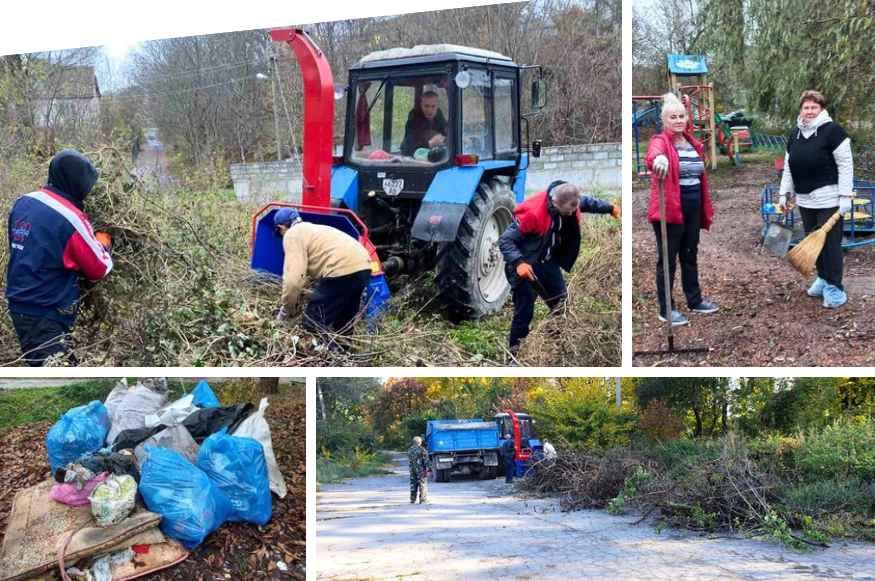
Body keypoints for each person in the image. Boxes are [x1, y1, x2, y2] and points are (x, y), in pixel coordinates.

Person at [5, 150, 113, 366]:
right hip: (45, 312)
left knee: (62, 362)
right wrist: (103, 243)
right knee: (55, 366)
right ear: (76, 182)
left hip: (20, 306)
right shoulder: (70, 217)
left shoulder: (24, 203)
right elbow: (99, 268)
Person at [498, 180, 620, 361]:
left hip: (548, 262)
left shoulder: (570, 200)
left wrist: (609, 208)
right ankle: (514, 356)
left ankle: (551, 341)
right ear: (555, 201)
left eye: (572, 211)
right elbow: (505, 241)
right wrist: (518, 263)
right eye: (566, 211)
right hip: (527, 264)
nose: (570, 214)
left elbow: (588, 202)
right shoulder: (532, 212)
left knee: (561, 304)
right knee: (524, 312)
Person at [645, 92, 718, 326]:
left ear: (687, 118)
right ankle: (666, 309)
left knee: (690, 255)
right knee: (667, 260)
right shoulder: (660, 141)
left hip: (692, 207)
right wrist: (658, 160)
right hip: (670, 209)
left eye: (681, 116)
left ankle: (694, 300)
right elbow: (652, 154)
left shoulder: (692, 143)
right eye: (672, 117)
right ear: (665, 121)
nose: (678, 120)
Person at [779, 90, 853, 308]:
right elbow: (788, 167)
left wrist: (845, 195)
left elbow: (845, 164)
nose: (809, 111)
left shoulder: (833, 132)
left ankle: (835, 286)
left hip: (829, 198)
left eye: (814, 107)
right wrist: (784, 192)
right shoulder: (796, 134)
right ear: (801, 109)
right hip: (805, 199)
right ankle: (822, 278)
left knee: (830, 243)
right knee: (813, 241)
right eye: (806, 107)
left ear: (821, 109)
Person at [273, 208, 373, 344]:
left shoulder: (292, 234)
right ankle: (343, 359)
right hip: (364, 265)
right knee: (343, 325)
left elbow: (293, 282)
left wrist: (285, 311)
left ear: (281, 227)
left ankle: (326, 357)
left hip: (341, 270)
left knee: (312, 322)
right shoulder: (313, 229)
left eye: (280, 233)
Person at [400, 91, 447, 157]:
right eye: (426, 106)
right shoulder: (414, 117)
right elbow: (410, 143)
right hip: (412, 159)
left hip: (434, 156)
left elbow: (445, 132)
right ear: (421, 105)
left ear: (437, 106)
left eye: (433, 106)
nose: (430, 110)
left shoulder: (438, 114)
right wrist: (430, 144)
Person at [407, 436, 430, 504]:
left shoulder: (410, 449)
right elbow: (426, 461)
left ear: (413, 442)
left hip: (412, 470)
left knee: (413, 484)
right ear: (420, 442)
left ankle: (413, 499)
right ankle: (422, 500)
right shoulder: (422, 449)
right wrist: (429, 467)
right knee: (422, 484)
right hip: (421, 470)